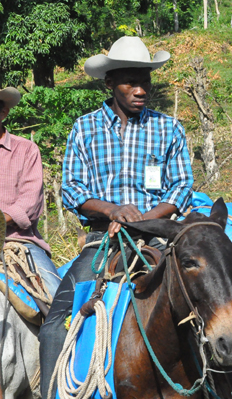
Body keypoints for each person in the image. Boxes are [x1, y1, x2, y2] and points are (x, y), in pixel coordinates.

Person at [39, 36, 194, 397]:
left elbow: (181, 187)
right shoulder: (85, 128)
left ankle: (218, 385)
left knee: (201, 311)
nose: (141, 90)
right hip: (101, 242)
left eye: (146, 82)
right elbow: (73, 189)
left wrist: (139, 222)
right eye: (130, 82)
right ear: (109, 83)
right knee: (56, 324)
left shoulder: (168, 128)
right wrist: (112, 211)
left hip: (155, 237)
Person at [0, 87, 60, 298]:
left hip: (18, 242)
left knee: (56, 300)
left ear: (3, 113)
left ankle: (60, 328)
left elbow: (30, 201)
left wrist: (0, 220)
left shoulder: (25, 149)